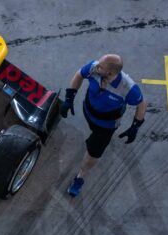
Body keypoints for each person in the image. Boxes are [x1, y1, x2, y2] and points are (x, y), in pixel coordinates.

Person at [60, 54, 147, 197]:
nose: (96, 66)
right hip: (89, 112)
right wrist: (69, 98)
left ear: (110, 73)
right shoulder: (94, 68)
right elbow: (79, 74)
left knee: (92, 154)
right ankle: (92, 137)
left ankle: (80, 177)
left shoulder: (128, 88)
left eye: (100, 66)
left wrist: (135, 126)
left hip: (106, 126)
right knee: (91, 131)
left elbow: (142, 103)